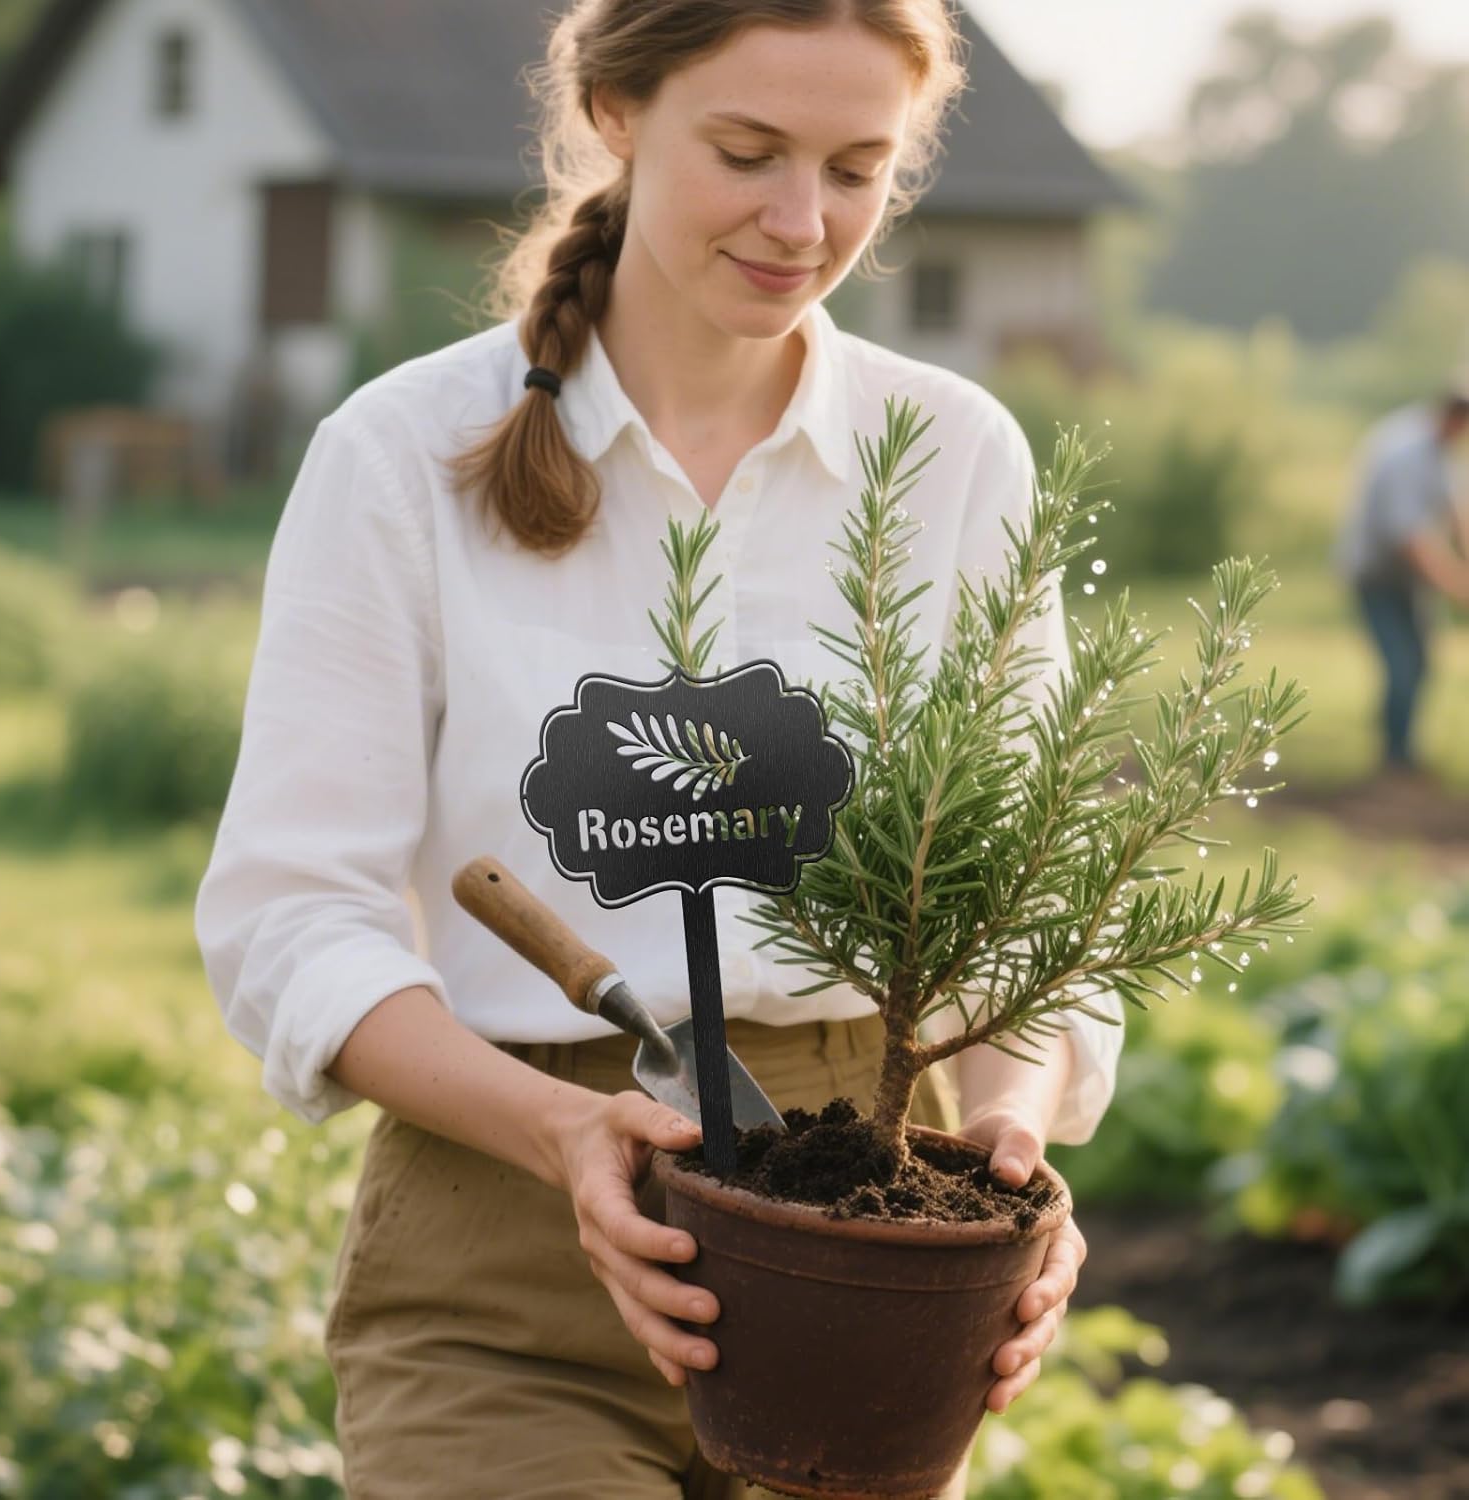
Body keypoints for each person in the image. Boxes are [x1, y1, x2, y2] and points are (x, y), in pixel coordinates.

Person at [194, 3, 1124, 1496]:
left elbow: (1020, 891)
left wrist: (1008, 1147)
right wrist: (567, 1133)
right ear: (617, 113)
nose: (801, 219)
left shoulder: (953, 459)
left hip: (867, 1219)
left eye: (856, 167)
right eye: (747, 153)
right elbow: (293, 917)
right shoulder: (404, 456)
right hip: (510, 1237)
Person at [1336, 381, 1469, 779]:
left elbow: (1457, 516)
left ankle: (1403, 752)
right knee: (1402, 665)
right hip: (1376, 577)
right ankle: (1393, 760)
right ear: (1456, 418)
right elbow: (1409, 540)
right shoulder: (1402, 453)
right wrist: (1458, 586)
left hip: (1409, 581)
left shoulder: (1442, 453)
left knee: (1422, 664)